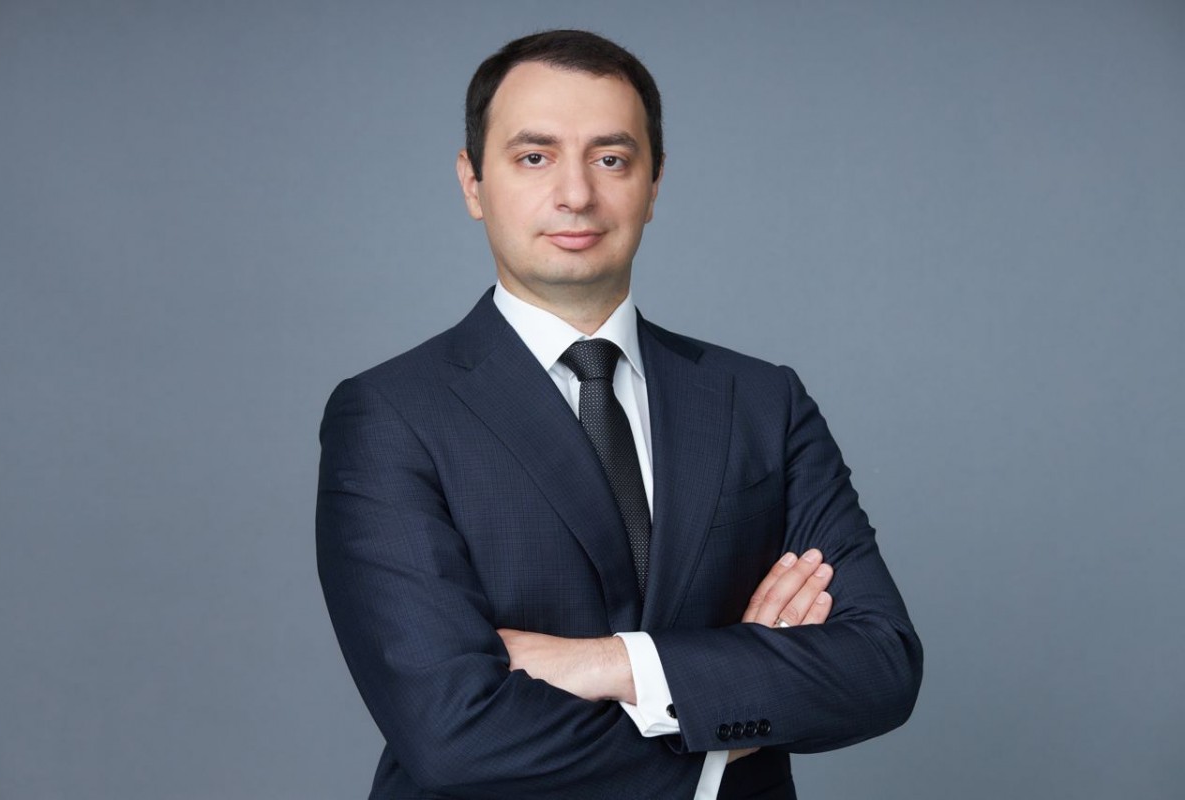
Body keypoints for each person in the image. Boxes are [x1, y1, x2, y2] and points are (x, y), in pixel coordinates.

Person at [317, 29, 921, 800]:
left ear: (654, 182)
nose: (576, 194)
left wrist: (614, 664)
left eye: (610, 159)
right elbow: (452, 735)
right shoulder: (389, 415)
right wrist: (723, 717)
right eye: (534, 157)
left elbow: (880, 665)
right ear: (472, 182)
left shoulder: (762, 402)